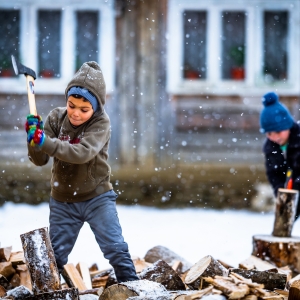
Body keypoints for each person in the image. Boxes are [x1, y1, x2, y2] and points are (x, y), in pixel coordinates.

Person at [25, 61, 139, 283]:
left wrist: (45, 141)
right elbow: (39, 159)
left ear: (95, 107)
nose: (76, 113)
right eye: (71, 105)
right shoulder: (57, 118)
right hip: (63, 201)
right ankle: (48, 293)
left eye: (84, 109)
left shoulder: (101, 123)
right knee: (54, 256)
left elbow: (81, 153)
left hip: (97, 198)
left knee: (115, 248)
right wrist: (34, 138)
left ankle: (135, 289)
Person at [260, 91, 300, 220]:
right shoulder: (270, 148)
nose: (274, 137)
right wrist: (280, 191)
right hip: (290, 189)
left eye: (278, 131)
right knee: (284, 219)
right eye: (269, 133)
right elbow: (274, 172)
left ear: (288, 126)